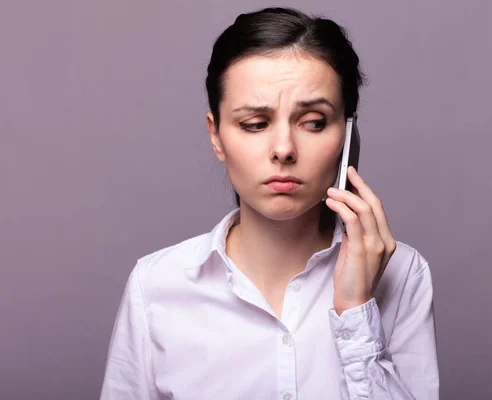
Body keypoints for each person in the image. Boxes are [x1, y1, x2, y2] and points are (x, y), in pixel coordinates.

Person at [100, 7, 439, 400]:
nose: (283, 149)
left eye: (313, 122)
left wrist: (357, 311)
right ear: (216, 135)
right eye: (255, 124)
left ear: (348, 134)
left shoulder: (403, 275)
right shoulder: (156, 285)